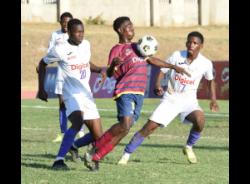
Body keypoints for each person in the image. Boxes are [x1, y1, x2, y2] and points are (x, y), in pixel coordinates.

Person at [83, 16, 190, 171]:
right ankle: (94, 147)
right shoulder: (117, 49)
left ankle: (96, 156)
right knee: (125, 124)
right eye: (128, 27)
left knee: (125, 129)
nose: (132, 29)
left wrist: (173, 67)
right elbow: (112, 74)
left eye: (132, 26)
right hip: (125, 91)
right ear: (120, 30)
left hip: (139, 94)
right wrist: (113, 65)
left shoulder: (138, 47)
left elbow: (152, 60)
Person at [117, 31, 219, 165]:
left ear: (201, 46)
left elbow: (211, 80)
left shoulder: (205, 63)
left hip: (189, 102)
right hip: (171, 99)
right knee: (149, 127)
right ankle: (126, 154)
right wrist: (158, 84)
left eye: (195, 43)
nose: (191, 45)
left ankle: (188, 147)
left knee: (200, 120)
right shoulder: (176, 55)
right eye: (189, 42)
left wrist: (213, 99)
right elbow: (163, 70)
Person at [37, 18, 106, 170]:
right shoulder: (60, 49)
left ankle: (75, 146)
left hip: (86, 93)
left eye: (83, 31)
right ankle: (59, 160)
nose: (81, 35)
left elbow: (86, 63)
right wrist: (41, 89)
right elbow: (42, 64)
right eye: (77, 32)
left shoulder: (86, 45)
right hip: (71, 94)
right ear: (69, 32)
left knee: (99, 136)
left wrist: (99, 69)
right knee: (78, 121)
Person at [46, 12, 85, 143]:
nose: (65, 24)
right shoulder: (55, 35)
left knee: (80, 102)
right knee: (62, 104)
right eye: (63, 22)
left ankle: (80, 131)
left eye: (68, 22)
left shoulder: (78, 37)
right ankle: (63, 132)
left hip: (75, 74)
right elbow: (50, 53)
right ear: (60, 22)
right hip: (61, 73)